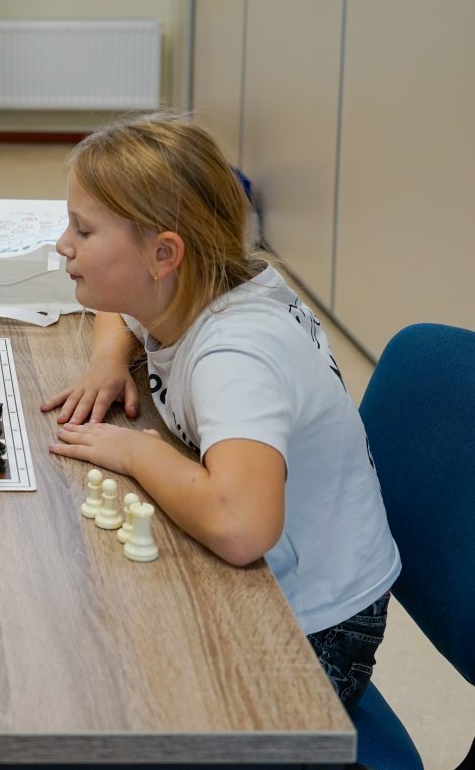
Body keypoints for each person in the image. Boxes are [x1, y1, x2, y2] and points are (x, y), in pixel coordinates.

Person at [41, 113, 401, 711]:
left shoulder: (235, 355)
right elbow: (118, 307)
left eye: (83, 229)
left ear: (164, 254)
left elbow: (241, 528)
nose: (63, 244)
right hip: (287, 584)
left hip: (314, 629)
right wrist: (108, 361)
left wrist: (138, 451)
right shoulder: (197, 283)